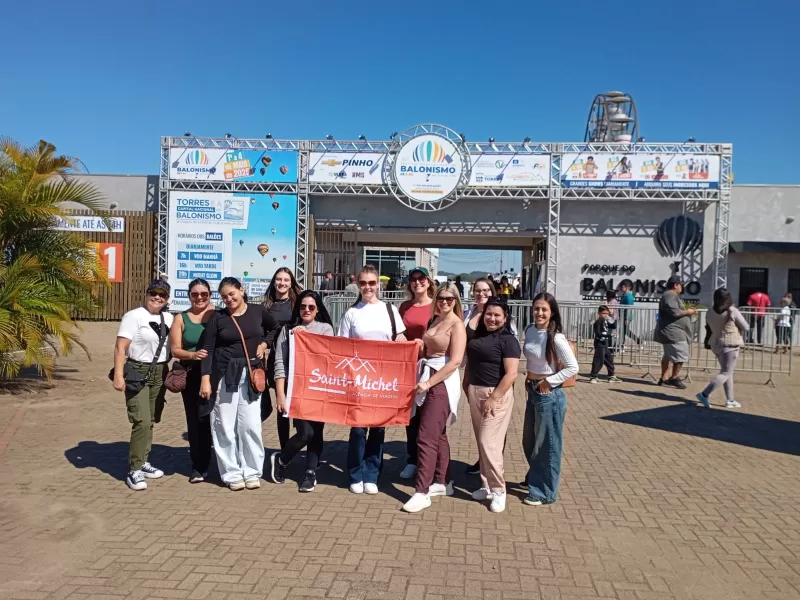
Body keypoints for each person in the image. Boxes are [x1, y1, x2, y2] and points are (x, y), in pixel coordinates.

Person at [200, 278, 278, 491]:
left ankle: (252, 471)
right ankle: (232, 473)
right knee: (224, 425)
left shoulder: (257, 311)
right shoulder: (218, 318)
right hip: (225, 375)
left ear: (241, 290)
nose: (229, 299)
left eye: (232, 294)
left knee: (250, 425)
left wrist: (264, 344)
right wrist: (205, 378)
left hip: (252, 375)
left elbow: (274, 327)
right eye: (224, 296)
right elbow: (208, 349)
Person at [338, 264, 407, 494]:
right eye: (364, 283)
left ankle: (372, 474)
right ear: (358, 284)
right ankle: (355, 473)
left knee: (378, 429)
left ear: (378, 284)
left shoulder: (390, 310)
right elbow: (341, 347)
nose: (368, 287)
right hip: (358, 381)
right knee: (358, 429)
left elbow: (401, 336)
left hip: (383, 381)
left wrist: (401, 340)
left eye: (372, 283)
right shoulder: (351, 313)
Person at [402, 284, 466, 513]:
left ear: (456, 300)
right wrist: (419, 346)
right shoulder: (435, 320)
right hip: (426, 376)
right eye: (441, 298)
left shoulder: (457, 325)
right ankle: (443, 481)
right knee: (438, 436)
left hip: (441, 384)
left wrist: (429, 383)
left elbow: (455, 361)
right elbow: (428, 351)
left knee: (426, 437)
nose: (444, 302)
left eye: (449, 299)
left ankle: (422, 491)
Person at [269, 290, 335, 492]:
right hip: (295, 388)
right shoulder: (287, 330)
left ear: (317, 310)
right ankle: (282, 459)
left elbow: (329, 357)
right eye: (303, 306)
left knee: (317, 432)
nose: (306, 310)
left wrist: (308, 339)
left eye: (311, 307)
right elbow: (280, 363)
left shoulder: (325, 329)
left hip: (318, 387)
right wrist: (280, 394)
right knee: (305, 433)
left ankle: (310, 472)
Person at [113, 279, 174, 491]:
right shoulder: (134, 316)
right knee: (141, 419)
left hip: (160, 371)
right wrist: (118, 376)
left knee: (151, 420)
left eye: (162, 295)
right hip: (137, 371)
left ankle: (143, 460)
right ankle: (134, 468)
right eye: (153, 293)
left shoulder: (169, 317)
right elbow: (121, 348)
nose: (157, 297)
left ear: (167, 299)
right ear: (147, 293)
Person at [463, 296, 521, 513]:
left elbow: (512, 373)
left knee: (489, 443)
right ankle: (486, 485)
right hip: (475, 391)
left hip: (496, 395)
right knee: (481, 442)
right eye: (489, 314)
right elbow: (466, 336)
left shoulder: (508, 340)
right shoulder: (478, 333)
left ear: (505, 318)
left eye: (497, 315)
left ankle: (499, 490)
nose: (492, 319)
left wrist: (494, 397)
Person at [522, 292, 578, 506]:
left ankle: (545, 491)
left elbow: (573, 367)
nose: (539, 313)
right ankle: (536, 477)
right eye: (537, 308)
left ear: (552, 312)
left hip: (549, 395)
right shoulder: (530, 330)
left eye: (544, 309)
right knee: (530, 441)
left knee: (548, 445)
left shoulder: (556, 337)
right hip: (533, 391)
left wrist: (550, 382)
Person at [463, 278, 514, 476]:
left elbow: (509, 352)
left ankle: (494, 477)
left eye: (486, 290)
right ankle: (483, 466)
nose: (481, 294)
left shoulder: (497, 315)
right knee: (480, 428)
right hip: (473, 376)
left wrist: (503, 388)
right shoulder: (468, 314)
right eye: (477, 290)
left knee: (492, 432)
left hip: (496, 381)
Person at [168, 278, 215, 483]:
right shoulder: (181, 318)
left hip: (215, 374)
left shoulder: (218, 315)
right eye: (195, 294)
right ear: (189, 296)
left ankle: (223, 464)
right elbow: (175, 349)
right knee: (196, 421)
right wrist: (192, 355)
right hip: (191, 374)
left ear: (209, 295)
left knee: (216, 420)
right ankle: (199, 465)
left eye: (203, 294)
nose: (199, 298)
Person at [397, 266, 436, 481]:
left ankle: (426, 461)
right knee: (410, 416)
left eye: (421, 278)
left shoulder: (436, 307)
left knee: (427, 416)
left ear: (428, 282)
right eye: (413, 279)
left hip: (430, 367)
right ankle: (412, 459)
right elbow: (398, 332)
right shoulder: (404, 306)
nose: (417, 282)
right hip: (408, 367)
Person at [263, 267, 303, 449]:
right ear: (273, 282)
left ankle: (300, 439)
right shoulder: (267, 306)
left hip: (296, 358)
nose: (282, 283)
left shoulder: (297, 303)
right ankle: (284, 447)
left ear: (291, 283)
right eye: (278, 279)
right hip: (275, 359)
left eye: (286, 280)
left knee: (298, 401)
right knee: (282, 403)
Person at [696, 288, 749, 409]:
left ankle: (730, 399)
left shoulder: (710, 311)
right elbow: (746, 326)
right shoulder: (732, 311)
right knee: (726, 372)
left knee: (727, 371)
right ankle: (704, 394)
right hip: (730, 344)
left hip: (716, 343)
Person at [654, 276, 696, 389]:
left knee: (668, 355)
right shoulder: (669, 295)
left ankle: (664, 378)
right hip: (672, 332)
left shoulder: (670, 295)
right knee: (681, 354)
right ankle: (674, 377)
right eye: (681, 284)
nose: (682, 287)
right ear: (675, 285)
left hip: (671, 331)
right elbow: (675, 312)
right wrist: (689, 311)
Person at [589, 305, 620, 383]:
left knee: (610, 360)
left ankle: (611, 376)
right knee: (598, 360)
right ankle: (593, 376)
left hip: (605, 345)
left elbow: (614, 326)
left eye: (607, 313)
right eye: (603, 313)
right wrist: (609, 335)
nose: (605, 315)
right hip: (599, 344)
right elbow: (598, 334)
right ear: (599, 313)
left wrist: (613, 317)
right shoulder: (597, 323)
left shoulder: (606, 321)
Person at [618, 281, 641, 349]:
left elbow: (629, 308)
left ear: (628, 287)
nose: (621, 288)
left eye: (623, 287)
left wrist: (627, 318)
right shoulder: (624, 295)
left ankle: (638, 341)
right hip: (623, 316)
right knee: (623, 331)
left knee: (624, 331)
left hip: (626, 317)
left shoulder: (629, 296)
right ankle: (622, 345)